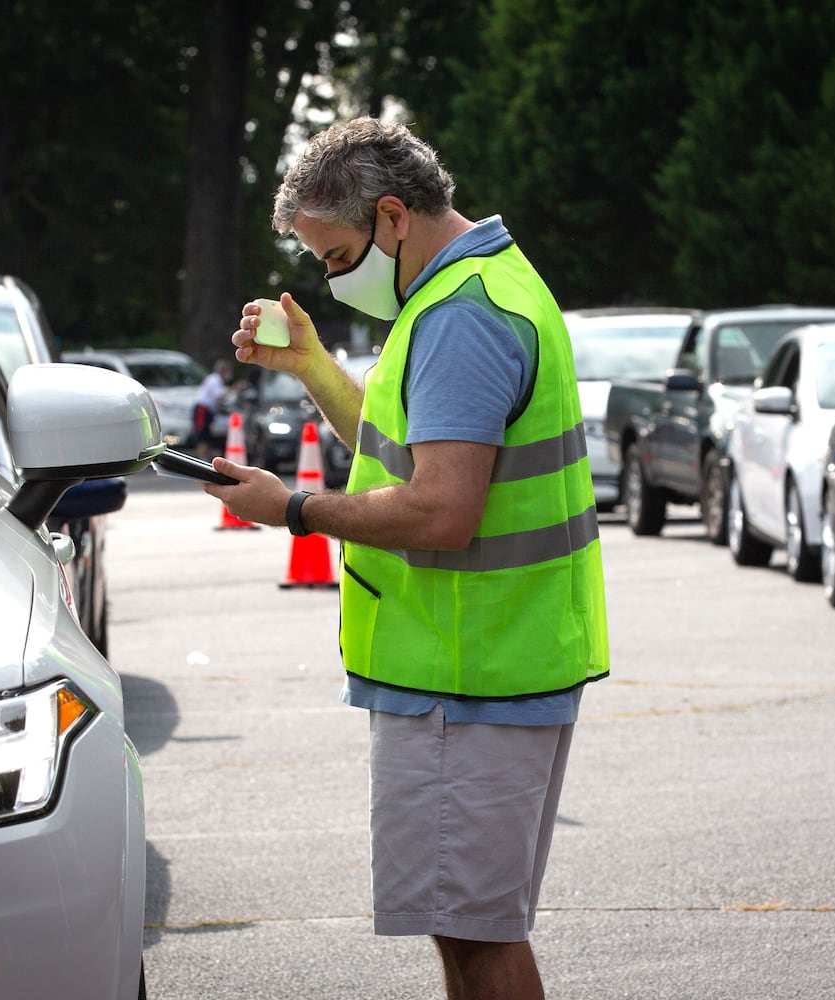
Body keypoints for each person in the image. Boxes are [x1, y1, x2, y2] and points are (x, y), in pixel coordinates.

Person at [202, 117, 609, 1000]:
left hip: (469, 677)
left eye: (337, 255)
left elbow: (439, 509)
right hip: (487, 665)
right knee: (470, 928)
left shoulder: (460, 316)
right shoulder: (471, 286)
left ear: (392, 217)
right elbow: (415, 455)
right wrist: (310, 364)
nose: (331, 277)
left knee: (477, 937)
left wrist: (294, 508)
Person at [188, 358, 233, 459]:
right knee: (202, 435)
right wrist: (232, 390)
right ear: (223, 371)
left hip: (205, 410)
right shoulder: (215, 380)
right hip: (202, 410)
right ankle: (201, 458)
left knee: (206, 434)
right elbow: (219, 397)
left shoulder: (213, 379)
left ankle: (204, 457)